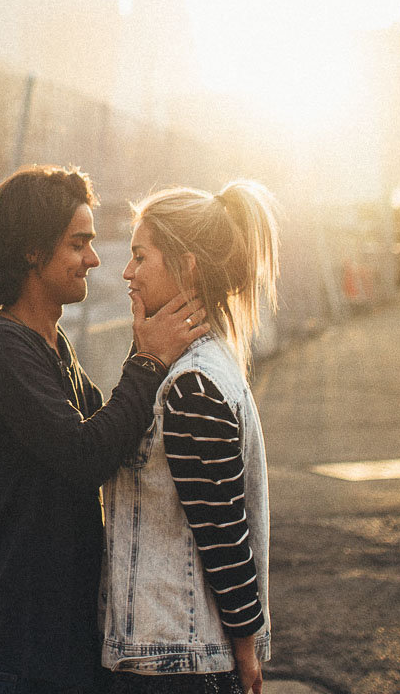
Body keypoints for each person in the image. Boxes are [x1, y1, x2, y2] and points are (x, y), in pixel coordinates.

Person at [0, 165, 207, 694]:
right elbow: (86, 453)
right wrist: (148, 358)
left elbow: (116, 432)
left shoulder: (51, 344)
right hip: (24, 656)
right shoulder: (2, 347)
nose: (93, 258)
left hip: (67, 645)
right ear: (32, 250)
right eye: (78, 244)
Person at [100, 182, 282, 694]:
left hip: (175, 665)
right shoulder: (195, 368)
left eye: (140, 256)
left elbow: (224, 534)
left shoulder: (191, 385)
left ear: (187, 266)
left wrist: (245, 652)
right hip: (179, 659)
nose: (127, 272)